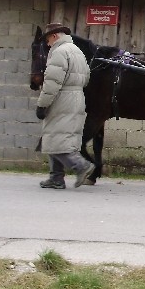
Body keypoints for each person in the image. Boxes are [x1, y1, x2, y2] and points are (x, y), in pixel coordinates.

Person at [35, 23, 94, 189]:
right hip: (77, 97)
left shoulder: (59, 52)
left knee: (58, 139)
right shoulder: (77, 51)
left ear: (54, 36)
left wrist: (42, 104)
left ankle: (81, 166)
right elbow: (87, 77)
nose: (47, 44)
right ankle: (56, 178)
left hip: (62, 98)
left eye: (47, 40)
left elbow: (52, 83)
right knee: (56, 136)